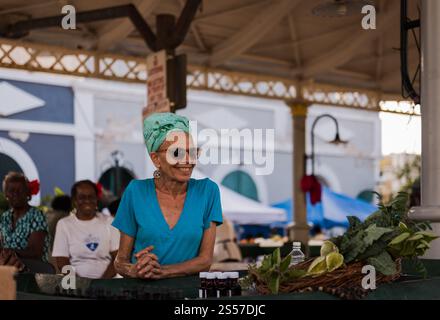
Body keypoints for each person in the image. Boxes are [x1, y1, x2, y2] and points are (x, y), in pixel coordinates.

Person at [112, 112, 223, 279]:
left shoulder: (207, 191)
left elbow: (205, 260)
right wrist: (134, 270)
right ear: (156, 159)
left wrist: (162, 271)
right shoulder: (136, 192)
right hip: (143, 294)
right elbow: (120, 262)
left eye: (192, 152)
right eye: (177, 153)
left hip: (188, 298)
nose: (188, 160)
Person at [52, 180, 119, 279]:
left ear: (97, 199)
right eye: (82, 197)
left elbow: (117, 258)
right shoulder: (64, 224)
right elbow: (62, 261)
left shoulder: (110, 222)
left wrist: (101, 284)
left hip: (107, 283)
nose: (87, 200)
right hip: (74, 283)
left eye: (91, 197)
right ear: (74, 201)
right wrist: (80, 285)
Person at [0, 172, 50, 270]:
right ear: (6, 194)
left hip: (34, 272)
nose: (16, 194)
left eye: (20, 190)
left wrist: (10, 252)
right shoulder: (5, 217)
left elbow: (35, 252)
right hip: (9, 270)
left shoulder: (36, 215)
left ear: (27, 192)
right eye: (11, 190)